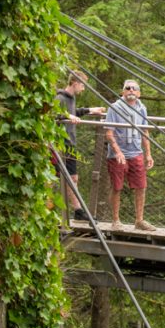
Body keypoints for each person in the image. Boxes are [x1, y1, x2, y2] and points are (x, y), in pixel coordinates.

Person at [104, 79, 155, 231]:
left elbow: (145, 132)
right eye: (128, 88)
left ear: (139, 93)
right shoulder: (114, 108)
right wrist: (117, 151)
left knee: (141, 186)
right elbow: (109, 132)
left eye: (134, 89)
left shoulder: (142, 109)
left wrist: (148, 154)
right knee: (117, 187)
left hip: (136, 152)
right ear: (123, 92)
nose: (131, 90)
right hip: (118, 154)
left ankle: (139, 220)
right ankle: (115, 220)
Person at [55, 71, 105, 221]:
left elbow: (72, 112)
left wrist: (90, 110)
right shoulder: (60, 97)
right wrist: (68, 116)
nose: (83, 89)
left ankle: (77, 211)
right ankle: (73, 210)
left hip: (70, 144)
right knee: (59, 179)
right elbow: (53, 113)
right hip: (60, 144)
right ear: (75, 83)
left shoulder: (71, 98)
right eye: (82, 85)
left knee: (73, 178)